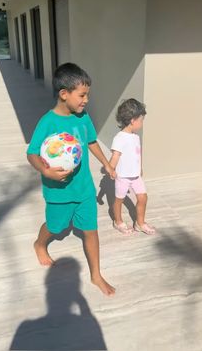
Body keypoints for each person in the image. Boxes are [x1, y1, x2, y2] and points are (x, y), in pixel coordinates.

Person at [27, 62, 116, 296]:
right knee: (55, 227)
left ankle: (96, 275)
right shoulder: (47, 122)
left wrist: (106, 163)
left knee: (90, 231)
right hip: (59, 192)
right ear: (64, 94)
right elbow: (32, 153)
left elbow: (92, 141)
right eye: (82, 95)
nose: (86, 100)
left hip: (84, 189)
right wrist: (45, 171)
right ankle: (39, 244)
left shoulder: (82, 117)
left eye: (87, 95)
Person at [109, 98, 156, 235]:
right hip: (122, 176)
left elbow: (137, 154)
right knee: (119, 200)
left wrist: (139, 168)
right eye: (141, 120)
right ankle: (118, 221)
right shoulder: (120, 138)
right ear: (132, 120)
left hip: (135, 176)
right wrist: (111, 169)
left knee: (143, 198)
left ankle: (140, 223)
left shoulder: (135, 137)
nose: (141, 124)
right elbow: (115, 156)